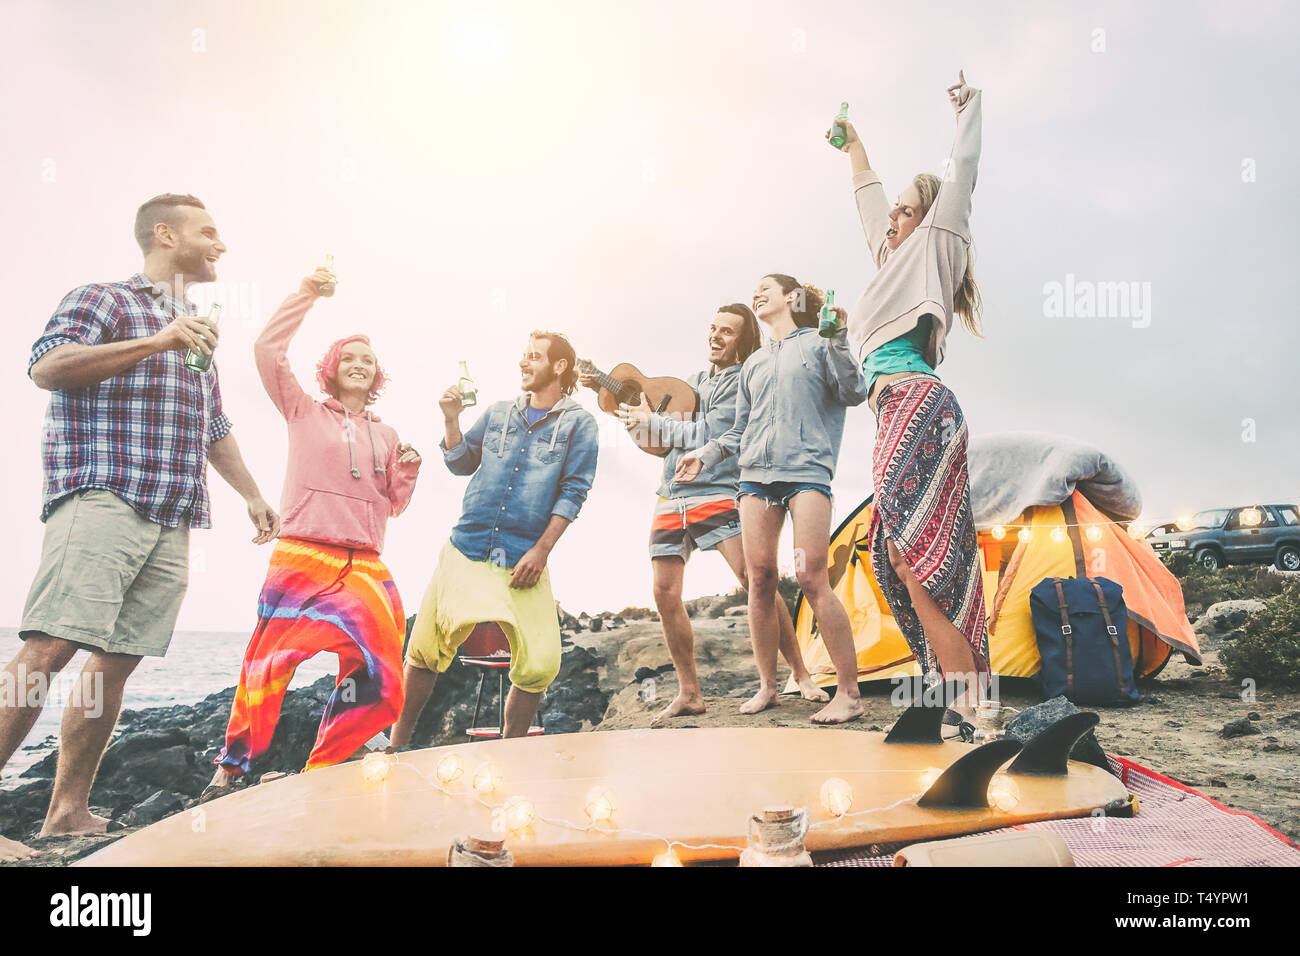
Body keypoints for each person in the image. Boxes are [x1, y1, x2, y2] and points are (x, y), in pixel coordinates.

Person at [0, 194, 278, 857]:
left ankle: (66, 812)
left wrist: (252, 495)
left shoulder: (196, 326)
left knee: (116, 663)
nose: (221, 245)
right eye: (208, 232)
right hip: (103, 497)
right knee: (47, 651)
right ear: (165, 235)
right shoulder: (104, 299)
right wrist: (155, 340)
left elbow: (212, 425)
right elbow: (47, 367)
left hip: (173, 513)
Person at [202, 266, 422, 800]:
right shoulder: (302, 409)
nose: (359, 365)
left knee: (383, 668)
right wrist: (306, 294)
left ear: (377, 376)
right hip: (302, 552)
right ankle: (231, 769)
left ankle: (325, 765)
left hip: (364, 561)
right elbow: (267, 350)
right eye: (349, 357)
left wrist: (408, 469)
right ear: (331, 369)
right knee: (268, 663)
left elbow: (393, 504)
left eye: (367, 360)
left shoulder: (387, 433)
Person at [830, 70, 989, 721]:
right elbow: (868, 200)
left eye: (905, 209)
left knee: (912, 553)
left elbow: (962, 176)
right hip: (893, 411)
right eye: (893, 211)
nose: (893, 217)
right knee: (897, 553)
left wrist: (966, 111)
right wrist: (854, 146)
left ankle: (967, 706)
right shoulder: (889, 262)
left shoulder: (935, 245)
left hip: (921, 404)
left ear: (926, 219)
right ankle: (968, 696)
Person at [600, 305, 831, 723]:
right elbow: (661, 441)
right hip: (671, 491)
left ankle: (800, 673)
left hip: (720, 490)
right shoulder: (690, 382)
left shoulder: (742, 379)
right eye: (712, 328)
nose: (715, 336)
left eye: (726, 332)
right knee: (663, 592)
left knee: (754, 580)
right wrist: (633, 419)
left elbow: (711, 435)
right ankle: (690, 693)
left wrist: (656, 421)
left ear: (742, 341)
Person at [675, 275, 868, 723]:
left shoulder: (820, 344)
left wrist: (838, 338)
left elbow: (853, 391)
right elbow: (740, 429)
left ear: (791, 298)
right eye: (755, 288)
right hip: (755, 479)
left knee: (811, 576)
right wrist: (705, 454)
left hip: (806, 474)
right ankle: (767, 687)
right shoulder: (755, 363)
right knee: (759, 580)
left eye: (767, 287)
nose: (757, 292)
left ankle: (849, 693)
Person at [391, 332, 599, 745]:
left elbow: (574, 491)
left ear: (559, 366)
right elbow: (461, 462)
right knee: (425, 648)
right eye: (523, 356)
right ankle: (397, 743)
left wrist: (541, 551)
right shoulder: (498, 412)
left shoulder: (580, 424)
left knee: (540, 660)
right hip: (466, 545)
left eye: (534, 357)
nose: (524, 363)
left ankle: (511, 748)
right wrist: (451, 419)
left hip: (523, 554)